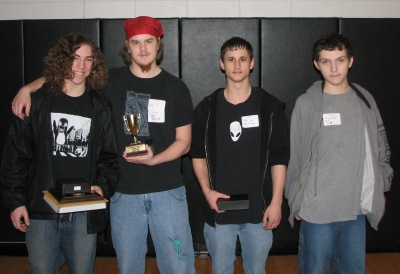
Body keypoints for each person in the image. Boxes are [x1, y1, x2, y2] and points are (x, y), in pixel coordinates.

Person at [11, 16, 195, 274]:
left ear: (159, 44)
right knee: (129, 267)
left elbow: (184, 143)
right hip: (123, 195)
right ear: (127, 46)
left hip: (168, 193)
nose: (143, 49)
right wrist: (27, 88)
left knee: (179, 263)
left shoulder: (176, 88)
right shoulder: (110, 81)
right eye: (136, 42)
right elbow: (71, 74)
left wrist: (155, 159)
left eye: (148, 42)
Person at [1, 33, 119, 274]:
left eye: (88, 60)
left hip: (83, 210)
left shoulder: (100, 107)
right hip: (42, 211)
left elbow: (109, 158)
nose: (81, 66)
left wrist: (102, 186)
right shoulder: (37, 102)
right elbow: (15, 158)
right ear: (62, 60)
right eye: (75, 58)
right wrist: (15, 203)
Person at [284, 33, 393, 274]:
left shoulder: (365, 100)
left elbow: (381, 147)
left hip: (355, 211)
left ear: (350, 61)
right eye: (326, 61)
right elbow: (297, 157)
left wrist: (382, 179)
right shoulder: (307, 103)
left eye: (340, 60)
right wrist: (296, 200)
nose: (334, 68)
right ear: (316, 64)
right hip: (316, 212)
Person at [190, 37, 290, 274]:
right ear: (222, 64)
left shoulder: (270, 107)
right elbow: (197, 155)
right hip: (219, 210)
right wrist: (207, 191)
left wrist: (276, 203)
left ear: (252, 63)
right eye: (231, 59)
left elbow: (279, 158)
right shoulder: (207, 108)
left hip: (258, 211)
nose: (237, 65)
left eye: (243, 59)